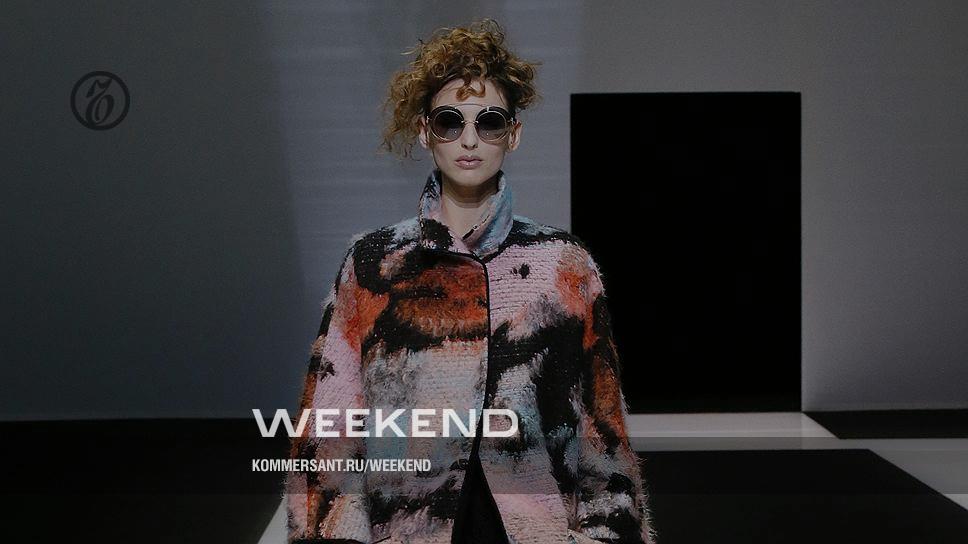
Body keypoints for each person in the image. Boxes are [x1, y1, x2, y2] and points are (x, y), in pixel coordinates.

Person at [284, 18, 658, 544]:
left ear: (513, 134)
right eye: (449, 121)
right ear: (425, 131)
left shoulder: (562, 266)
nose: (468, 139)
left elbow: (602, 433)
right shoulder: (373, 264)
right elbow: (329, 429)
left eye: (489, 122)